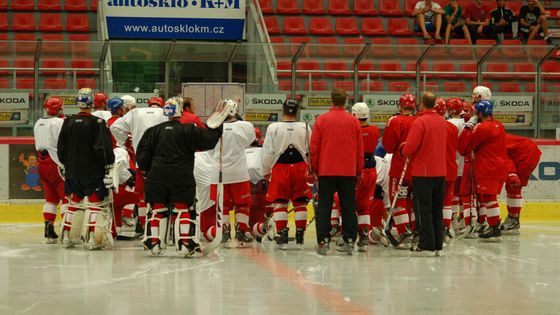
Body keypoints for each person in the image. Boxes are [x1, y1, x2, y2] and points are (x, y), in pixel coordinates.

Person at [136, 98, 222, 257]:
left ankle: (154, 242)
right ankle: (185, 243)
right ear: (180, 111)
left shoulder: (152, 131)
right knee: (183, 209)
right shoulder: (189, 129)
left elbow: (141, 158)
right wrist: (219, 126)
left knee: (157, 208)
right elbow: (209, 141)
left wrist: (148, 170)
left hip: (156, 176)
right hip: (182, 176)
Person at [57, 88, 115, 249]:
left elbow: (61, 148)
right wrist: (108, 163)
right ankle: (91, 238)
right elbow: (102, 149)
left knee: (74, 201)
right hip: (92, 170)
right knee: (95, 203)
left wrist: (67, 164)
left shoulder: (68, 122)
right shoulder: (98, 123)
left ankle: (67, 236)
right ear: (92, 103)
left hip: (73, 170)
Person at [310, 88, 363, 255]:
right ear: (345, 101)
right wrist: (358, 169)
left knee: (325, 205)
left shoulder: (322, 120)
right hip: (348, 170)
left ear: (331, 100)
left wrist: (315, 168)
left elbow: (314, 148)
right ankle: (349, 239)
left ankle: (323, 240)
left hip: (326, 170)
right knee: (348, 206)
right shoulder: (353, 121)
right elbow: (359, 149)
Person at [458, 86, 508, 241]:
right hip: (498, 166)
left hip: (487, 167)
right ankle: (492, 226)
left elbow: (464, 148)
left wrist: (467, 128)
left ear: (479, 113)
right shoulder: (498, 125)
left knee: (488, 198)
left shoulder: (482, 128)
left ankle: (494, 228)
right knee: (488, 197)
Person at [110, 96, 167, 231]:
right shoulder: (165, 113)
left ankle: (143, 225)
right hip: (163, 161)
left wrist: (122, 144)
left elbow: (115, 128)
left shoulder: (134, 113)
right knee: (163, 195)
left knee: (141, 195)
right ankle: (161, 227)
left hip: (140, 161)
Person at [261, 99, 312, 250]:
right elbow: (311, 152)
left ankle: (282, 234)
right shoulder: (305, 127)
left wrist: (265, 170)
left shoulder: (273, 127)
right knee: (300, 202)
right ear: (296, 111)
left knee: (280, 202)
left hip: (280, 168)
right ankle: (300, 233)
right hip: (300, 168)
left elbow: (268, 152)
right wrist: (311, 170)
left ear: (282, 110)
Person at [401, 93, 448, 256]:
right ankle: (437, 242)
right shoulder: (443, 122)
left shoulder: (420, 122)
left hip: (423, 172)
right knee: (437, 209)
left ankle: (427, 243)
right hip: (440, 171)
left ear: (421, 104)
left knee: (423, 209)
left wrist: (404, 148)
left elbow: (410, 147)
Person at [208, 99, 256, 248]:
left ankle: (224, 231)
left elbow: (209, 151)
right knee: (242, 203)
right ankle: (241, 230)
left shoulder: (212, 127)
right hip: (238, 172)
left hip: (218, 173)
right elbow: (250, 141)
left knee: (223, 204)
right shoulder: (246, 126)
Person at [382, 93, 416, 247]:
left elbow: (388, 146)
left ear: (400, 106)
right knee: (411, 201)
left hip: (399, 168)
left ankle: (404, 231)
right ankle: (414, 229)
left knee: (399, 201)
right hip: (417, 169)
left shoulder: (395, 121)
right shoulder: (419, 120)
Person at [34, 97, 66, 244]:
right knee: (66, 198)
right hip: (56, 163)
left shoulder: (38, 122)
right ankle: (67, 230)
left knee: (51, 199)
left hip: (41, 163)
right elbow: (64, 142)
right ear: (59, 109)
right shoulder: (59, 123)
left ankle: (49, 227)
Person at [350, 102, 380, 252]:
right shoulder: (374, 130)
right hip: (372, 170)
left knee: (345, 203)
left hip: (357, 170)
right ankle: (363, 237)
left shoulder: (352, 130)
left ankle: (345, 234)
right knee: (364, 206)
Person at [502, 133, 542, 234]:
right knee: (512, 186)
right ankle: (513, 218)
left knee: (513, 186)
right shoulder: (492, 136)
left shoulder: (491, 143)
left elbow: (505, 159)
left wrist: (511, 173)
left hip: (526, 155)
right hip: (525, 152)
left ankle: (514, 220)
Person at [434, 98, 459, 243]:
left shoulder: (433, 126)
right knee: (447, 201)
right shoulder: (452, 128)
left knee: (435, 201)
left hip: (437, 170)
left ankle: (437, 228)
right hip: (451, 168)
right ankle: (445, 227)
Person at [446, 97, 467, 232]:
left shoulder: (448, 123)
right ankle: (464, 219)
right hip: (465, 164)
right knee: (463, 195)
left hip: (451, 163)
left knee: (452, 194)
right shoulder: (467, 123)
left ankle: (452, 219)